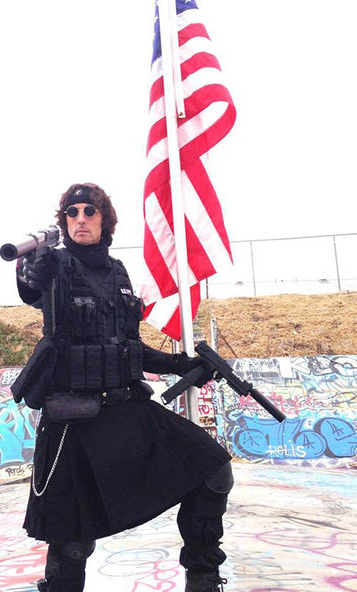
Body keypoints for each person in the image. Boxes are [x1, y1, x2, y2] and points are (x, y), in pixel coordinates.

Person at [14, 182, 233, 592]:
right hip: (74, 418)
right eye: (72, 212)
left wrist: (179, 364)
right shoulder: (54, 266)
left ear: (104, 221)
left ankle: (203, 578)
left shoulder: (118, 272)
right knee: (73, 541)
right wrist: (32, 267)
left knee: (213, 470)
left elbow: (126, 346)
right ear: (63, 222)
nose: (80, 218)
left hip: (127, 409)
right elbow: (32, 285)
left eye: (89, 211)